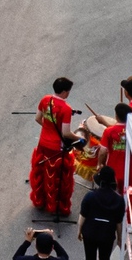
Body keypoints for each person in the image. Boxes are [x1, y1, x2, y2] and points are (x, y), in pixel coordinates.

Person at [29, 76, 76, 216]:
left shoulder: (45, 99)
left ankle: (40, 200)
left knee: (42, 173)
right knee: (57, 177)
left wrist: (49, 130)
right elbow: (66, 133)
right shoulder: (66, 109)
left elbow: (38, 118)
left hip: (43, 143)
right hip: (56, 149)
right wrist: (79, 138)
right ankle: (55, 205)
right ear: (64, 92)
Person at [77, 167, 126, 260]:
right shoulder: (119, 200)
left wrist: (79, 230)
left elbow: (83, 215)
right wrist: (120, 238)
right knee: (105, 257)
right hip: (107, 235)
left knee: (90, 257)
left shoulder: (90, 196)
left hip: (90, 233)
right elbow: (118, 222)